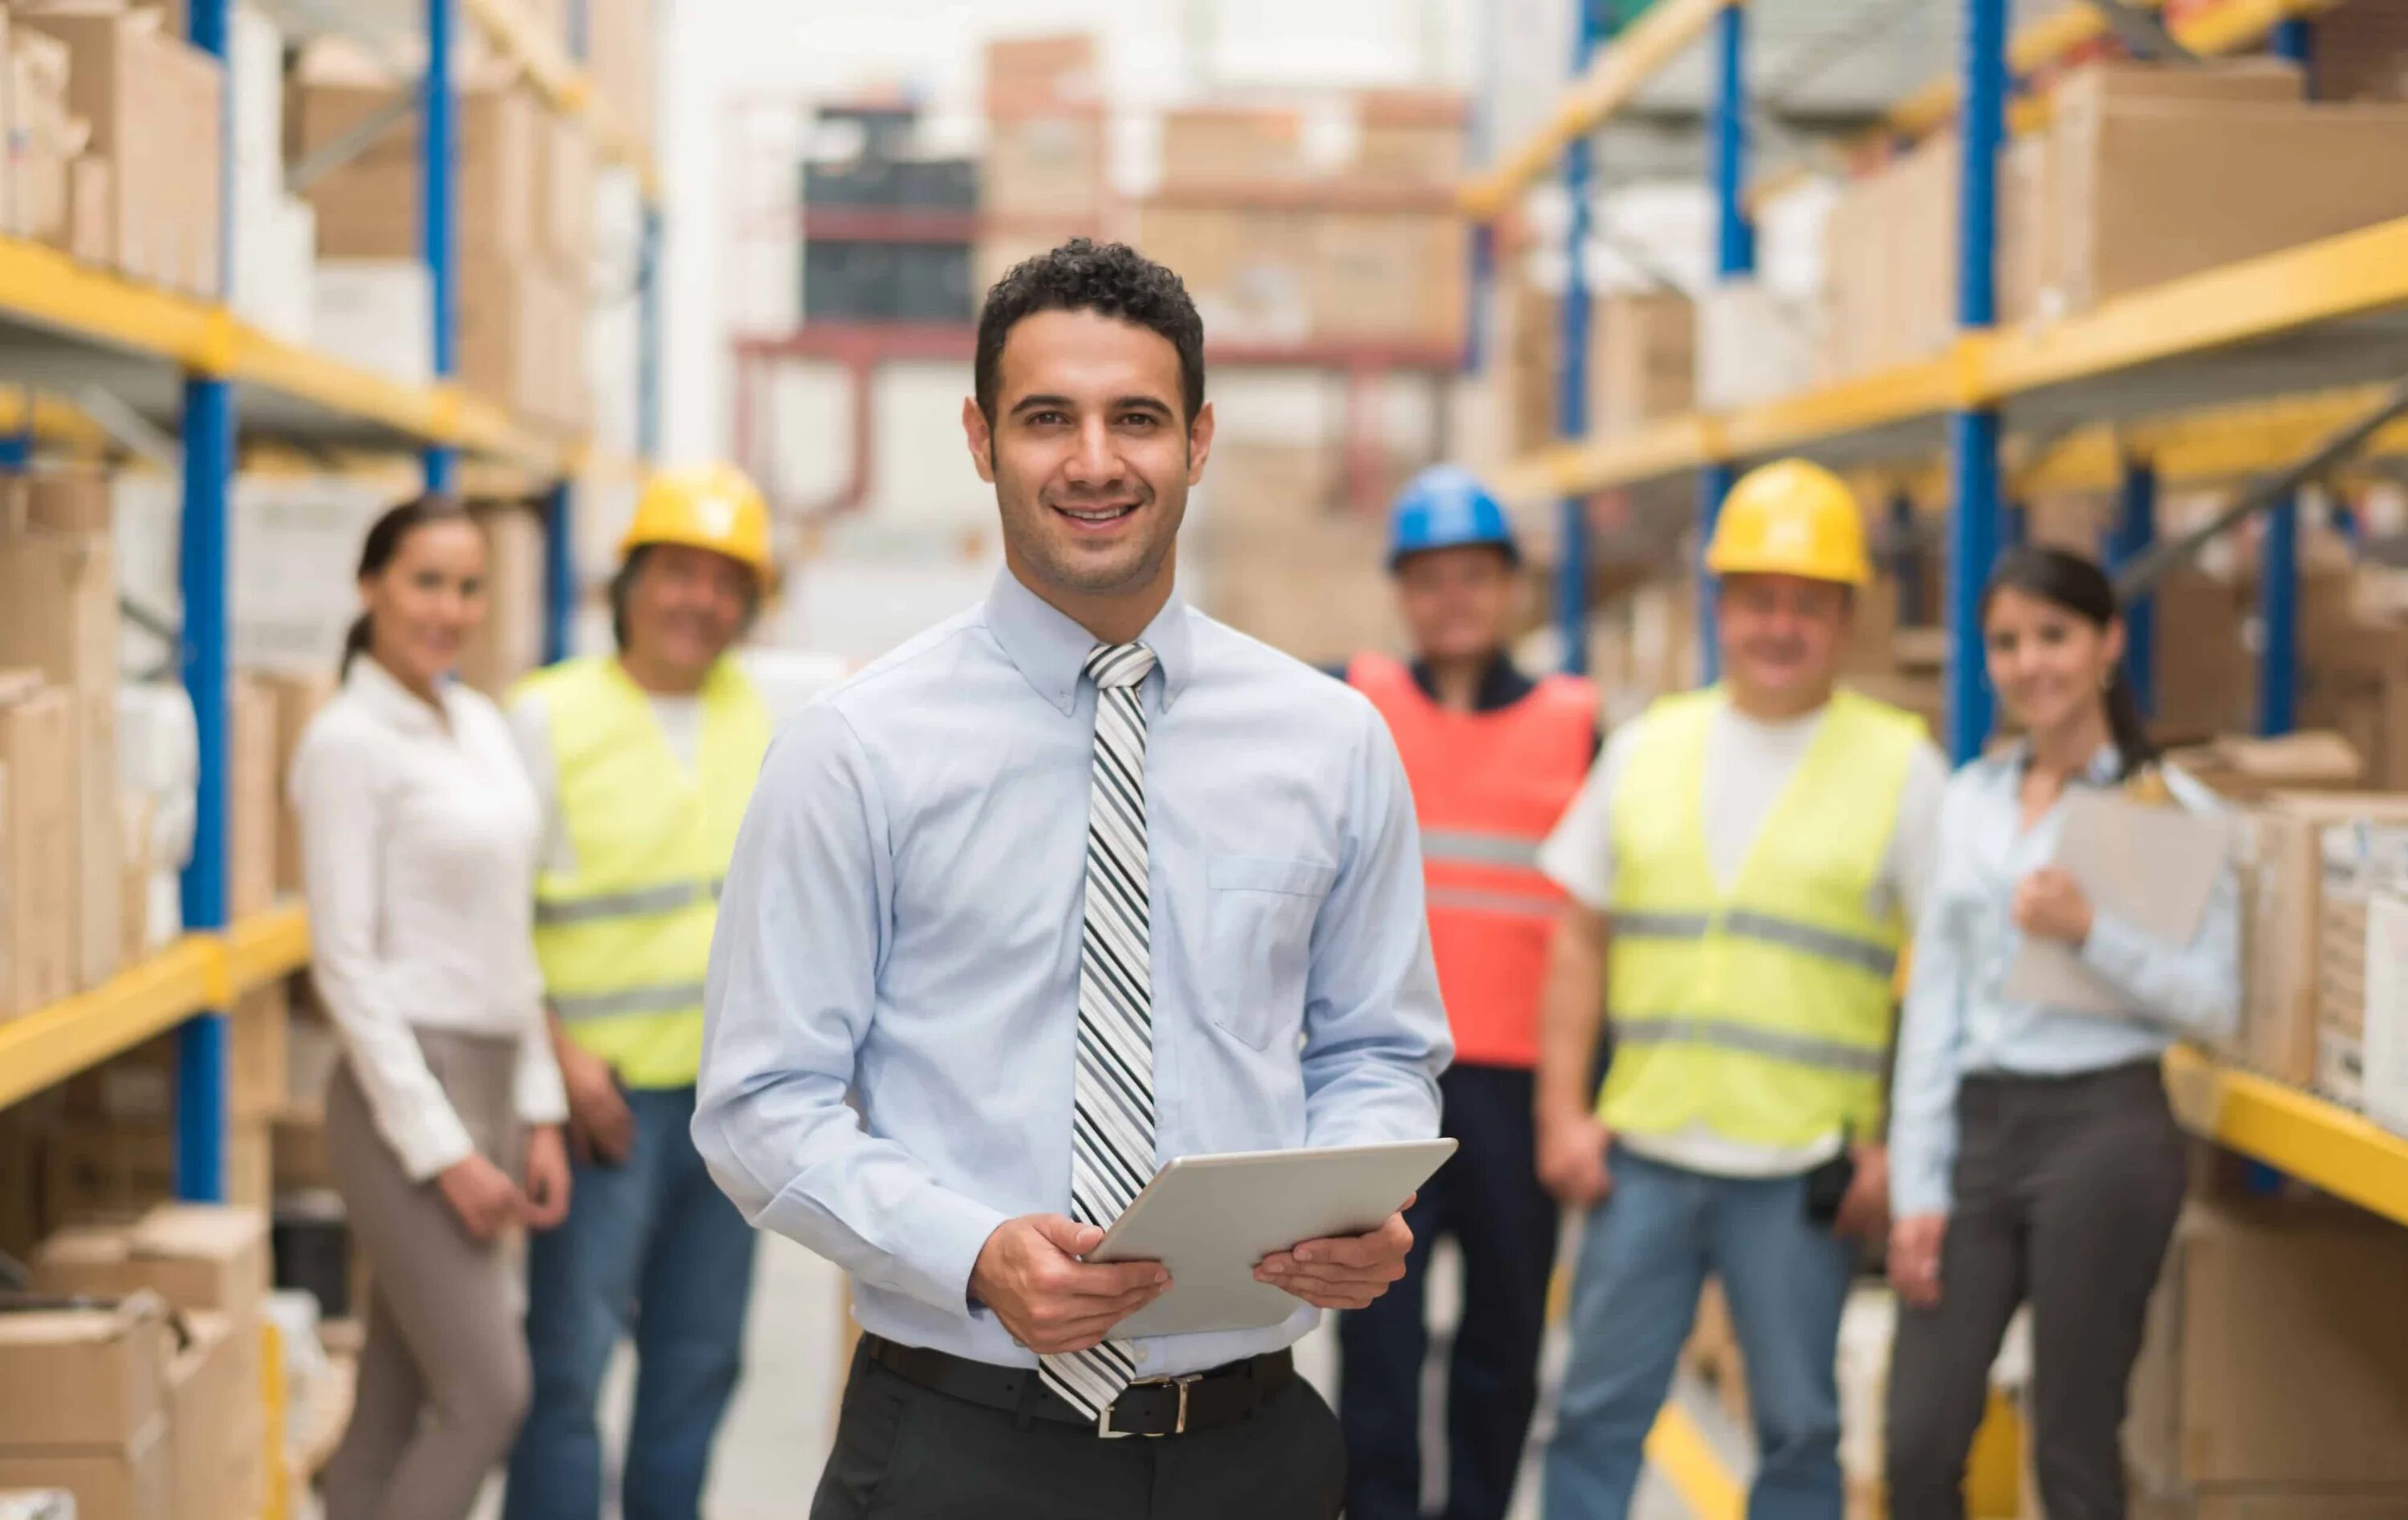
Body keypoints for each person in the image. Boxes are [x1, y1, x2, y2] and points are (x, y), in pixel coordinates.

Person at [693, 238, 1452, 1519]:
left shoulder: (1328, 741)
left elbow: (1377, 1046)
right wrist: (973, 1254)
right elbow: (762, 1101)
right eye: (1050, 418)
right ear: (984, 440)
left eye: (1137, 419)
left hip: (1251, 1450)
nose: (1095, 461)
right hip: (957, 1446)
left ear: (1198, 441)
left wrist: (1349, 1190)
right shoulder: (859, 749)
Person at [1532, 457, 1951, 1520]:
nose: (1780, 625)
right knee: (1593, 1413)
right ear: (1720, 607)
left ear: (1845, 618)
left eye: (1807, 604)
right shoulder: (1645, 749)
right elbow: (1579, 938)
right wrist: (1562, 1113)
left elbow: (1951, 979)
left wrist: (1901, 1147)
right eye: (1759, 599)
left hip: (1803, 1168)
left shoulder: (1903, 769)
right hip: (1644, 1158)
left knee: (1801, 1432)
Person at [1883, 547, 2239, 1520]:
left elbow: (2215, 1005)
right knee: (1918, 1444)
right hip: (1978, 1131)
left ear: (2107, 642)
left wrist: (2095, 933)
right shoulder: (1969, 801)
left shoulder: (2169, 810)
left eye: (2055, 635)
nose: (2030, 662)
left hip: (2105, 1129)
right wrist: (1918, 1188)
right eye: (2006, 641)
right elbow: (1934, 1012)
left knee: (2074, 1441)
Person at [501, 465, 780, 1520]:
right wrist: (557, 1062)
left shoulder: (760, 717)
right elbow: (494, 922)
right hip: (595, 1107)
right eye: (677, 572)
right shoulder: (547, 715)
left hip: (728, 1111)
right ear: (631, 582)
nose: (698, 600)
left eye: (723, 582)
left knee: (700, 1361)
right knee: (567, 1369)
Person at [291, 494, 574, 1520]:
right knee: (489, 1394)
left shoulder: (481, 725)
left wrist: (537, 1109)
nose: (448, 608)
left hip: (495, 1077)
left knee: (393, 1400)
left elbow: (511, 934)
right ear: (372, 587)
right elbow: (346, 966)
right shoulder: (346, 743)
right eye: (426, 581)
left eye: (467, 586)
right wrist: (444, 1146)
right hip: (408, 1091)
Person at [1336, 465, 1597, 1520]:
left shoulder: (1578, 723)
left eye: (1476, 576)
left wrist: (1576, 1101)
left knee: (1504, 1336)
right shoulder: (1353, 703)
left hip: (1512, 1084)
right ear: (1403, 590)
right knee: (1377, 1337)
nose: (1454, 598)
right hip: (1380, 1079)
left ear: (1509, 589)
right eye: (1432, 577)